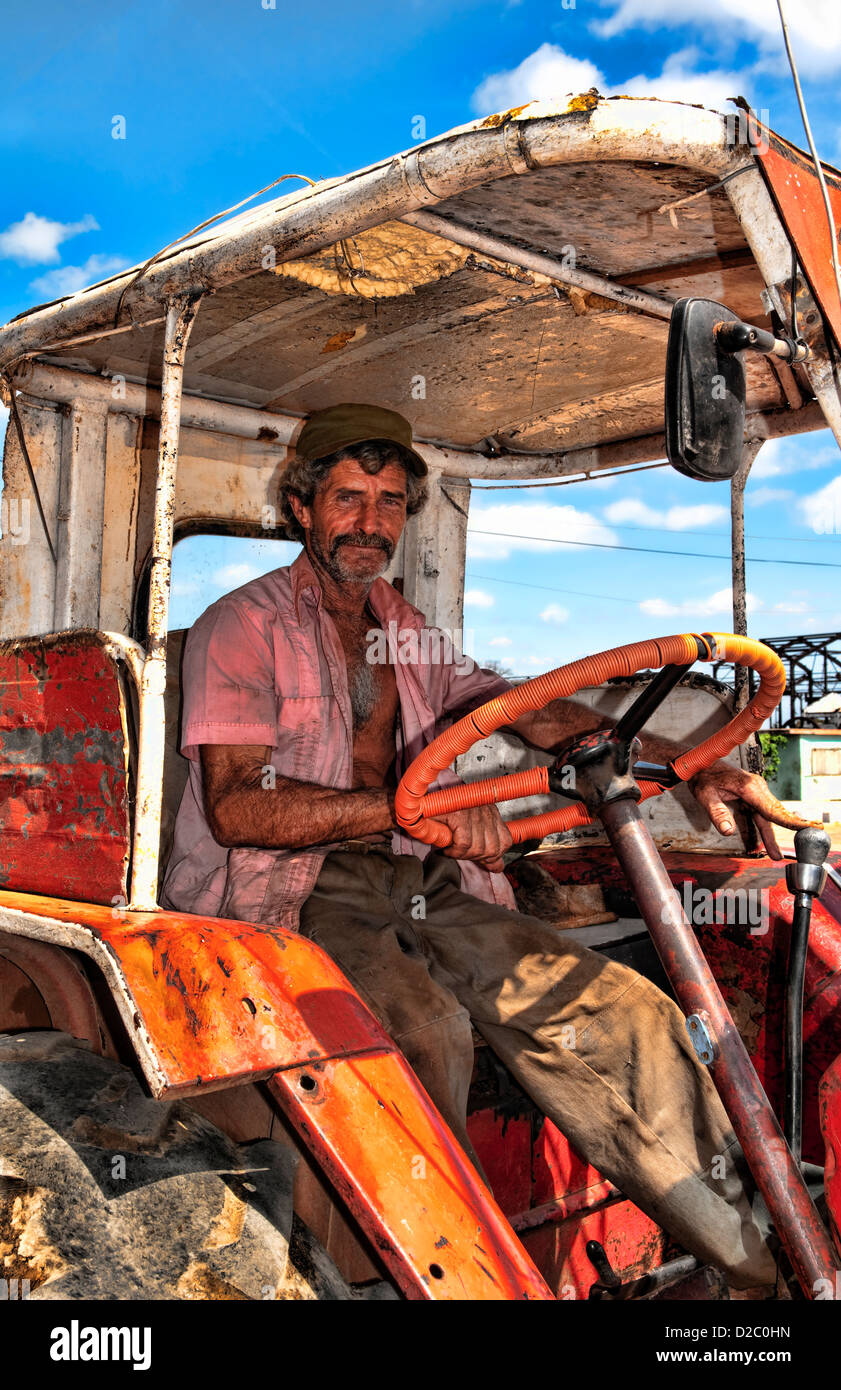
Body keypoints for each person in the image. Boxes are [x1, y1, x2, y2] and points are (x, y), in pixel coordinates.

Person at [162, 402, 804, 1289]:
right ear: (300, 506)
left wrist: (685, 764)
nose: (370, 521)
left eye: (389, 502)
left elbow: (522, 706)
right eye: (347, 497)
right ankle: (439, 1274)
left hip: (418, 873)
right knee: (424, 1029)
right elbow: (239, 810)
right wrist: (411, 808)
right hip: (296, 887)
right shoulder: (244, 624)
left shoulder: (398, 622)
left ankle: (761, 1267)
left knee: (625, 1011)